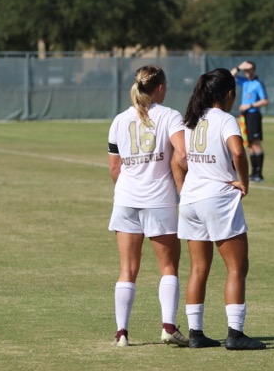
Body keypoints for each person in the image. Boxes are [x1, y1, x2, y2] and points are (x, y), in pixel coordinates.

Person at [175, 68, 266, 350]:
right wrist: (244, 181)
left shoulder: (191, 119)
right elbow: (239, 151)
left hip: (190, 199)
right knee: (237, 267)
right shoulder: (225, 119)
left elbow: (180, 159)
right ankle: (235, 334)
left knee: (198, 269)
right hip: (218, 199)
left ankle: (196, 333)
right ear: (229, 95)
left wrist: (184, 188)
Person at [107, 65, 189, 347]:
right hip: (160, 201)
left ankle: (121, 333)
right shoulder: (170, 116)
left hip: (126, 200)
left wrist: (132, 188)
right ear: (161, 88)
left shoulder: (119, 120)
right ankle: (168, 327)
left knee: (127, 269)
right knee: (168, 267)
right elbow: (183, 153)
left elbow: (114, 168)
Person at [231, 61, 269, 182]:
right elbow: (230, 77)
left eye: (249, 69)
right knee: (249, 145)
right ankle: (253, 173)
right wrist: (239, 67)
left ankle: (259, 174)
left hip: (253, 115)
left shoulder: (257, 84)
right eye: (245, 70)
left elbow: (265, 101)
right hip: (245, 116)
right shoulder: (245, 82)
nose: (247, 72)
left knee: (255, 144)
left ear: (253, 70)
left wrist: (250, 105)